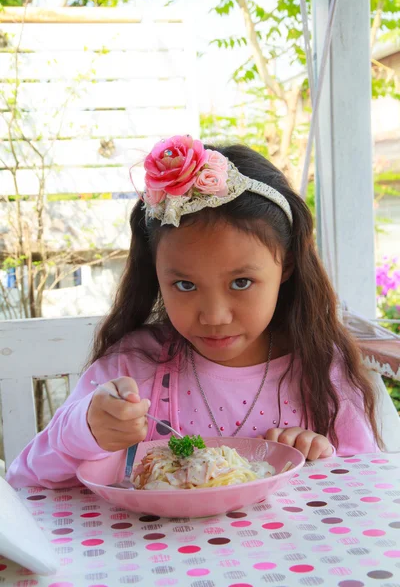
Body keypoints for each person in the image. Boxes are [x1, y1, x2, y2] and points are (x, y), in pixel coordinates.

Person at [7, 135, 382, 488]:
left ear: (285, 266)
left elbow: (366, 484)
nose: (214, 316)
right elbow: (26, 480)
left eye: (241, 282)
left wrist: (321, 459)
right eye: (185, 285)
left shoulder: (320, 368)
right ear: (155, 274)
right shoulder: (133, 369)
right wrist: (86, 431)